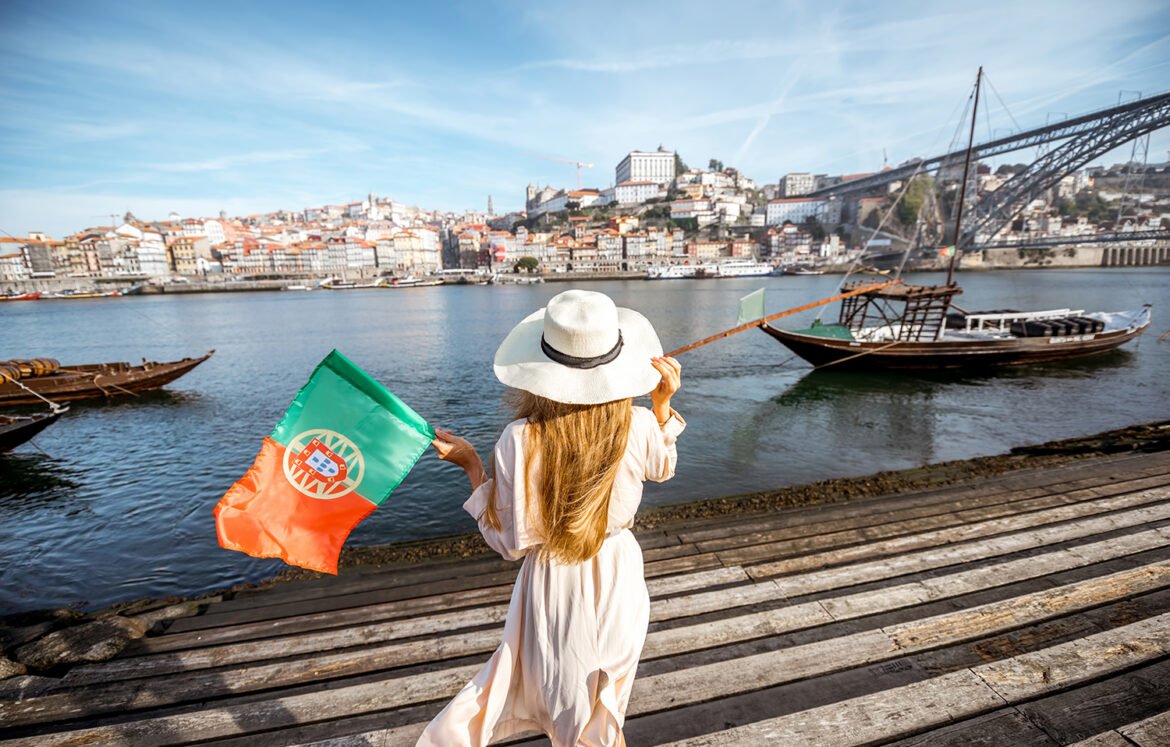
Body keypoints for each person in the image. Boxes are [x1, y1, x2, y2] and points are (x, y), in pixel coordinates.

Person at [420, 289, 684, 746]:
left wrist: (471, 466)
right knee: (605, 710)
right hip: (620, 576)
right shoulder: (639, 423)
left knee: (568, 711)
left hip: (554, 586)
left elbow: (509, 544)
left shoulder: (519, 439)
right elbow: (662, 468)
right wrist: (660, 407)